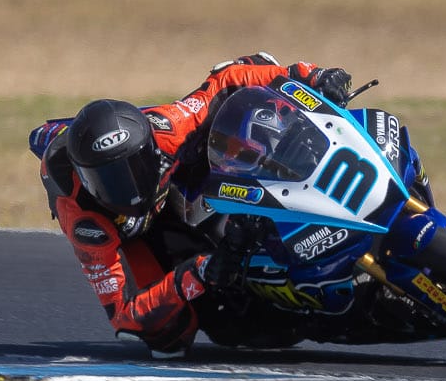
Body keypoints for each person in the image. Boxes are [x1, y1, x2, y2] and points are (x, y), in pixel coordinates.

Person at [28, 54, 354, 354]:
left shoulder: (168, 128)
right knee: (168, 335)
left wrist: (308, 75)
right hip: (130, 234)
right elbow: (124, 314)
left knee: (242, 126)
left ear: (150, 150)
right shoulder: (85, 218)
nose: (123, 190)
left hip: (170, 180)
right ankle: (321, 320)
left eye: (132, 171)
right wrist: (195, 274)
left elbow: (227, 80)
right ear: (86, 181)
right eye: (106, 182)